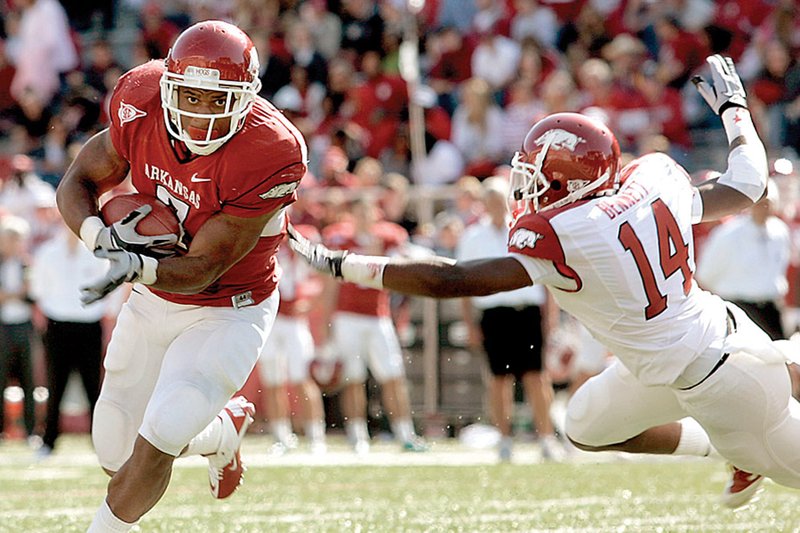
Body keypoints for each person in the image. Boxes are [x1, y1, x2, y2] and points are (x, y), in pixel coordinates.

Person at [289, 55, 800, 509]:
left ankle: (742, 446)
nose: (526, 193)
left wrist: (344, 264)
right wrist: (734, 106)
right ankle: (723, 445)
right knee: (585, 427)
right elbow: (747, 185)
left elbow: (456, 280)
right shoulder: (655, 177)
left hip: (724, 378)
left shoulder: (570, 230)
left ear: (571, 183)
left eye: (537, 179)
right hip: (679, 359)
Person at [54, 21, 307, 532]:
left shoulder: (271, 150)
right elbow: (78, 179)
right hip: (152, 300)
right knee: (115, 448)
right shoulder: (140, 97)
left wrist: (138, 263)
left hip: (227, 307)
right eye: (190, 95)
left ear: (248, 97)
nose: (200, 113)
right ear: (167, 85)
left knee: (163, 430)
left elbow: (204, 266)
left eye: (219, 100)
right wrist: (98, 238)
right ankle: (220, 433)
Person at [456, 176, 561, 462]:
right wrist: (470, 324)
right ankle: (504, 438)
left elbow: (546, 277)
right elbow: (463, 284)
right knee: (499, 380)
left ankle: (546, 438)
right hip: (494, 315)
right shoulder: (473, 237)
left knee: (536, 378)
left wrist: (549, 317)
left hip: (525, 312)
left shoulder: (524, 231)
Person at [318, 196, 427, 454]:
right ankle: (358, 435)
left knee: (392, 376)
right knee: (353, 377)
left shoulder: (389, 238)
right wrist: (326, 323)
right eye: (360, 213)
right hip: (348, 316)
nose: (365, 218)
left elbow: (403, 271)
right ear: (351, 216)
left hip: (378, 315)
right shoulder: (339, 240)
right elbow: (330, 284)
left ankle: (405, 433)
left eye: (368, 212)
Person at [29, 220, 122, 458]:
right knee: (54, 383)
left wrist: (106, 313)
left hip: (89, 323)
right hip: (57, 322)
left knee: (93, 384)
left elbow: (112, 284)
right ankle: (48, 441)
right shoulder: (48, 252)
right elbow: (39, 288)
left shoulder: (98, 254)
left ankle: (100, 442)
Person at [257, 225, 327, 455]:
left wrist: (311, 299)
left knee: (301, 378)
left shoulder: (302, 235)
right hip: (268, 318)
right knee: (272, 381)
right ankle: (281, 437)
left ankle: (316, 436)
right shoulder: (260, 234)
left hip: (293, 319)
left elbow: (321, 273)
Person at [696, 181, 790, 341]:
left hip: (770, 308)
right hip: (740, 307)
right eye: (760, 204)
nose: (763, 209)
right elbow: (705, 274)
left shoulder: (780, 232)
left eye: (768, 204)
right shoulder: (728, 234)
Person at [0, 215, 36, 444]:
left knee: (28, 379)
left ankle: (32, 431)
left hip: (24, 325)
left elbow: (32, 295)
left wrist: (12, 295)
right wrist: (17, 293)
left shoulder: (27, 265)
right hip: (3, 326)